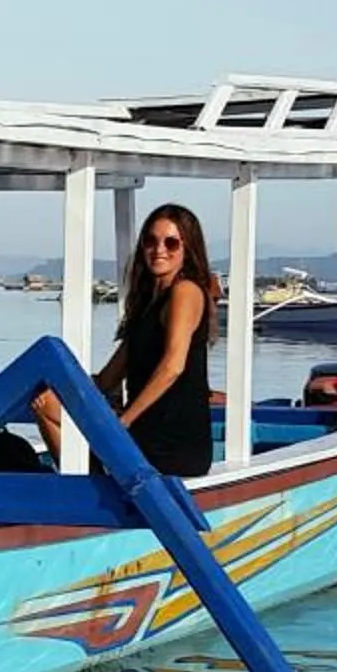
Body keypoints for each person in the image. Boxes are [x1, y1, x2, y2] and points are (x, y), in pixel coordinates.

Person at [30, 202, 217, 478]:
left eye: (171, 243)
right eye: (151, 240)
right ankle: (94, 487)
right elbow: (107, 378)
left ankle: (91, 491)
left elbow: (172, 367)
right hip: (144, 429)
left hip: (173, 442)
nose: (159, 249)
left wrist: (125, 421)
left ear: (187, 249)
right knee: (46, 400)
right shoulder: (147, 304)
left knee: (51, 406)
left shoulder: (185, 291)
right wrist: (62, 386)